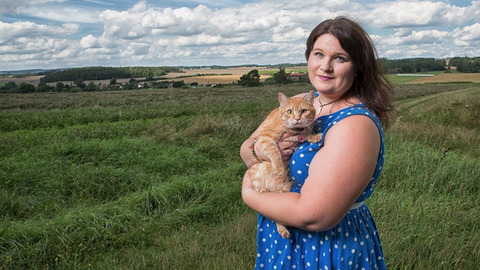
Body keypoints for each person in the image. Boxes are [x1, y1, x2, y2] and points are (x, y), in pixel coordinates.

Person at [240, 16, 394, 269]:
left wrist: (249, 193)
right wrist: (262, 151)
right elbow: (247, 147)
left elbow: (315, 216)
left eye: (340, 58)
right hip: (281, 238)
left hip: (326, 248)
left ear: (359, 66)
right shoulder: (302, 101)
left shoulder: (355, 123)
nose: (325, 67)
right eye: (318, 54)